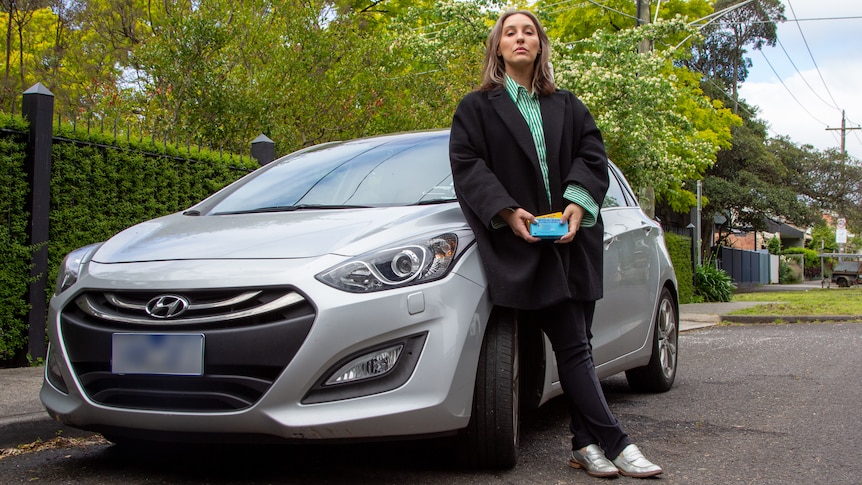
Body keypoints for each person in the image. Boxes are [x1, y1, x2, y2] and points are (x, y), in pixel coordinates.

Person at [448, 9, 662, 479]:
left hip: (573, 239)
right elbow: (467, 165)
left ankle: (585, 444)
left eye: (529, 32)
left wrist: (579, 203)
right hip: (522, 244)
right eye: (510, 33)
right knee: (573, 344)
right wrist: (506, 210)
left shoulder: (567, 104)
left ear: (540, 46)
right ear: (498, 48)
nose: (520, 38)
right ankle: (617, 441)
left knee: (578, 343)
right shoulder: (476, 109)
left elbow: (593, 153)